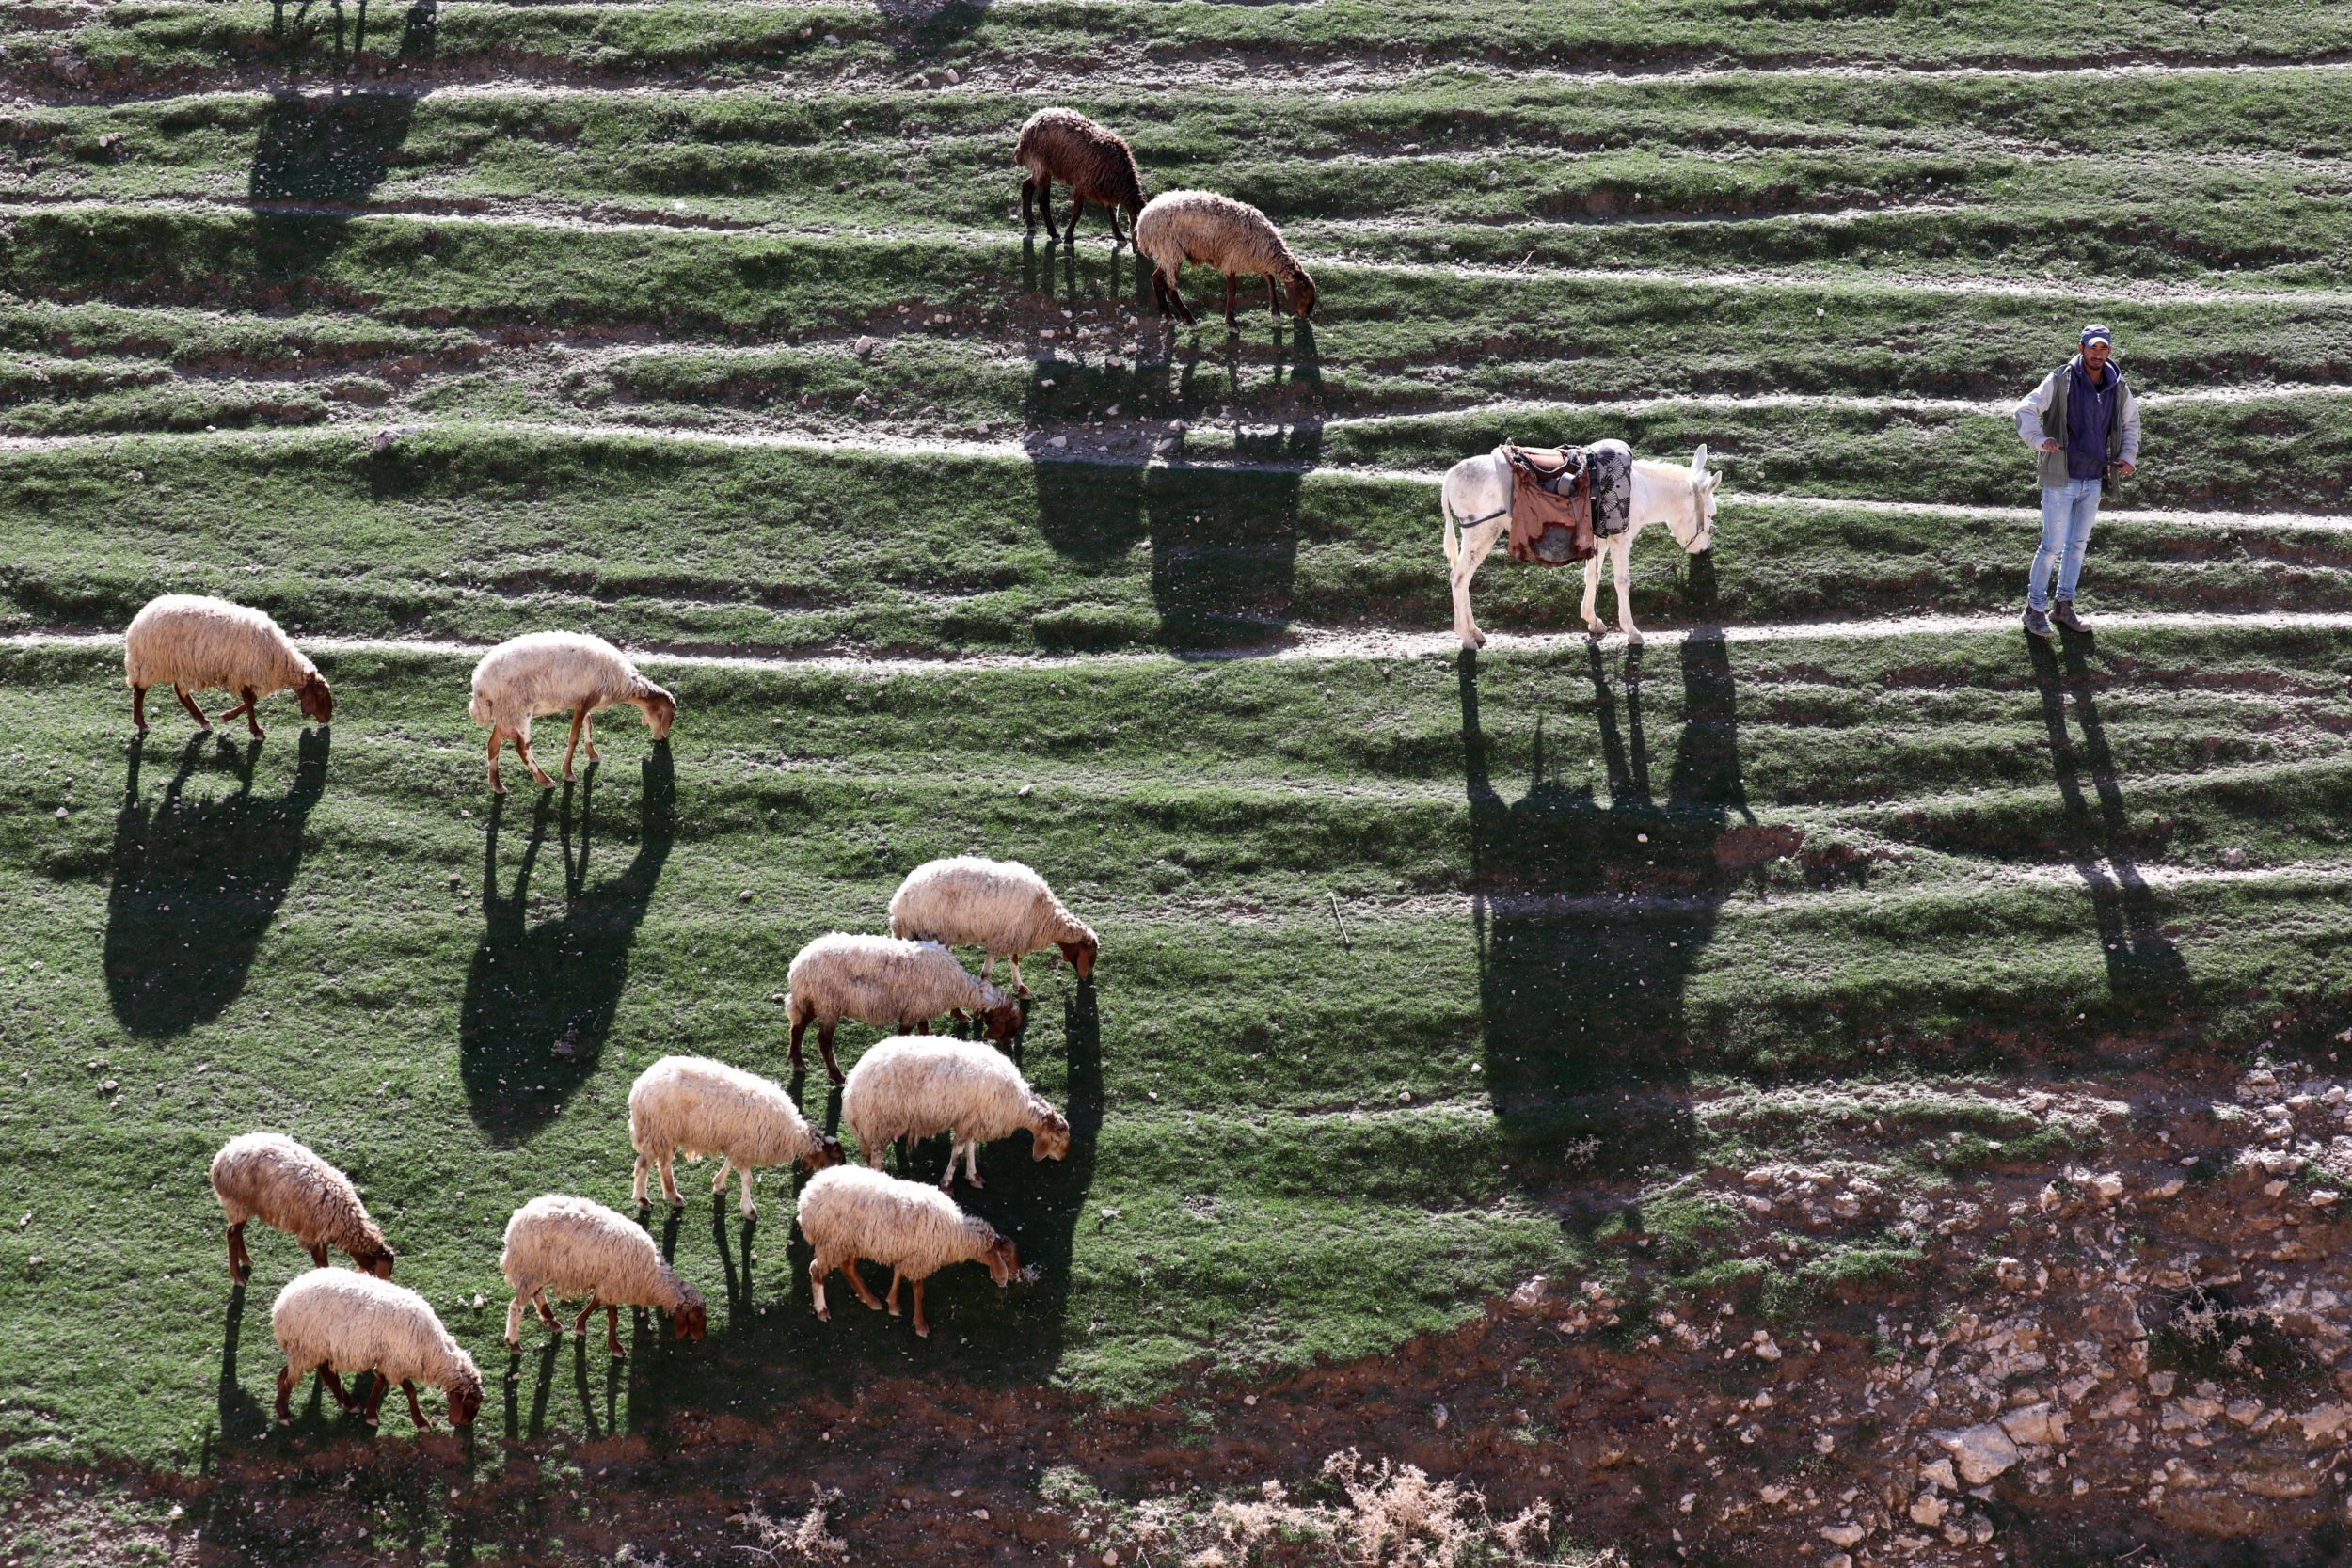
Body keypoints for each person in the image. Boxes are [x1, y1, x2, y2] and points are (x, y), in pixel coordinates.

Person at [2014, 325, 2140, 638]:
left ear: (2109, 352)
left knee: (2078, 546)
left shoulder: (2118, 386)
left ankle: (2064, 606)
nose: (2098, 354)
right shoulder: (2060, 380)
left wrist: (2127, 456)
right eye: (2092, 348)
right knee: (2052, 546)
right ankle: (2034, 610)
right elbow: (2025, 409)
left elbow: (2130, 424)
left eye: (2103, 349)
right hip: (2062, 476)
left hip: (2093, 478)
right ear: (2081, 348)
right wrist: (2040, 440)